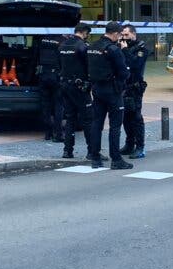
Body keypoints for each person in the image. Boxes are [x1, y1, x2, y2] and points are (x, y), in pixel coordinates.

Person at [87, 20, 132, 170]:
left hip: (97, 89)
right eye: (119, 34)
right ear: (114, 34)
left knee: (96, 124)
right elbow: (124, 72)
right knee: (115, 126)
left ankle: (95, 157)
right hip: (112, 91)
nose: (120, 37)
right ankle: (116, 159)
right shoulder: (113, 49)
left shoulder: (92, 46)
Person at [58, 23, 94, 160]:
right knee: (88, 119)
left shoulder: (62, 45)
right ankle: (92, 151)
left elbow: (59, 65)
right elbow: (89, 66)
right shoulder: (82, 46)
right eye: (87, 34)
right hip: (80, 87)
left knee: (70, 119)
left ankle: (67, 151)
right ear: (84, 32)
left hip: (65, 85)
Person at [119, 23, 148, 159]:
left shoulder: (141, 49)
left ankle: (140, 146)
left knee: (136, 117)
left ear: (133, 34)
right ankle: (129, 144)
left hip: (135, 87)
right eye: (122, 35)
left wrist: (124, 51)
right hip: (123, 87)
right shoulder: (123, 47)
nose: (124, 37)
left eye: (126, 35)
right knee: (125, 117)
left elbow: (135, 65)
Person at [36, 33, 64, 142]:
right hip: (56, 76)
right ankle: (58, 134)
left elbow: (35, 55)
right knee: (58, 106)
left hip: (43, 75)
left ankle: (47, 133)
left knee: (45, 106)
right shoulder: (61, 40)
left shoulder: (41, 39)